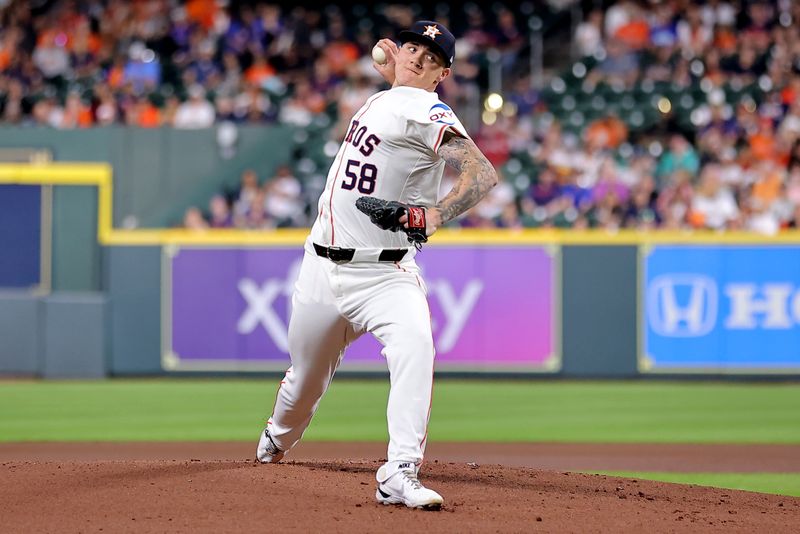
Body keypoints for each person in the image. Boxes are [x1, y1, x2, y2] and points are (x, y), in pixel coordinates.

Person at [255, 20, 498, 510]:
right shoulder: (388, 96)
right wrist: (390, 67)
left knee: (416, 346)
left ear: (442, 73)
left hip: (386, 274)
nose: (416, 58)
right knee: (302, 384)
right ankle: (273, 446)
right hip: (321, 269)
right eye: (412, 48)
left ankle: (400, 471)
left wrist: (433, 214)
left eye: (430, 58)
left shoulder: (429, 109)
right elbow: (395, 82)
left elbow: (481, 173)